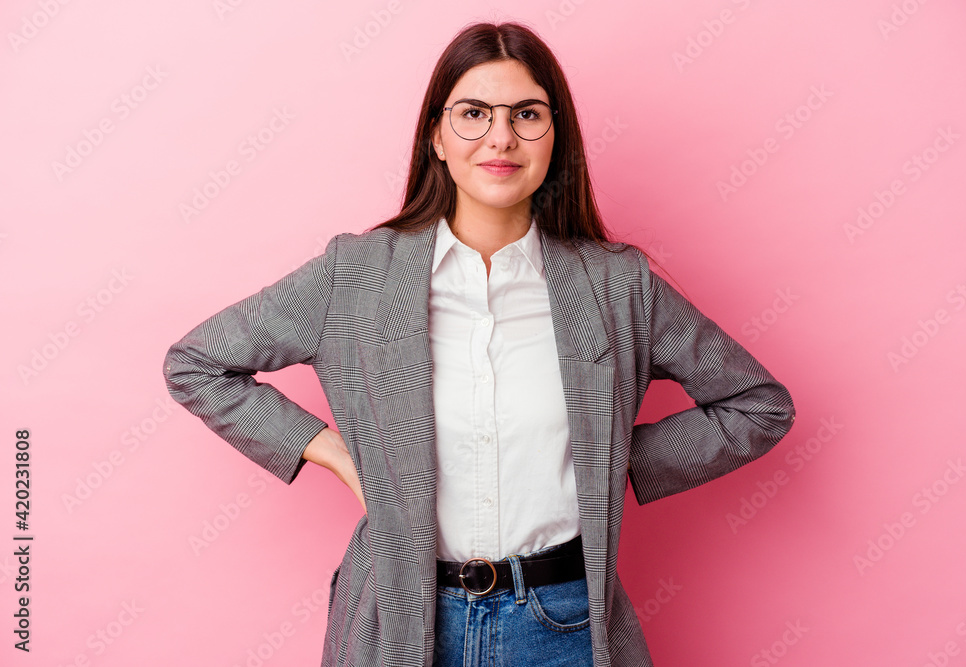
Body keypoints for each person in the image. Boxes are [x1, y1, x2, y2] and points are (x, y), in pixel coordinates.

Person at [162, 20, 795, 667]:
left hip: (563, 624)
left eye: (526, 113)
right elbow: (197, 363)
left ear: (556, 136)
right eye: (473, 113)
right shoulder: (356, 274)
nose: (501, 136)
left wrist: (610, 458)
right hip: (404, 621)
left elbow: (758, 405)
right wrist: (332, 452)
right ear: (437, 134)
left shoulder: (614, 285)